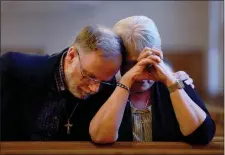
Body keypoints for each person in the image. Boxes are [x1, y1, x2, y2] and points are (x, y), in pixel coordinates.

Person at [89, 16, 216, 145]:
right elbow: (101, 137)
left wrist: (171, 82)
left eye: (148, 63)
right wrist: (126, 82)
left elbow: (203, 135)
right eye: (132, 64)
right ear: (119, 60)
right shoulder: (106, 87)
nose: (142, 74)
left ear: (159, 55)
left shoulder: (176, 83)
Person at [0, 25, 125, 141]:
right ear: (71, 56)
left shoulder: (110, 89)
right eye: (89, 76)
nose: (95, 89)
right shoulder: (12, 70)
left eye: (104, 81)